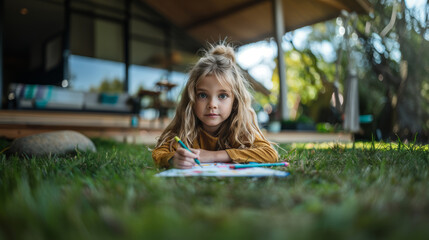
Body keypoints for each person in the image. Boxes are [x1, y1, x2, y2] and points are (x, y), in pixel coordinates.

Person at [152, 42, 278, 169]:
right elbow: (159, 153)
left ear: (235, 101)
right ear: (191, 98)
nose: (212, 105)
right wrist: (173, 159)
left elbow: (270, 154)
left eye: (222, 96)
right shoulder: (185, 128)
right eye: (202, 95)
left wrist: (214, 156)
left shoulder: (239, 129)